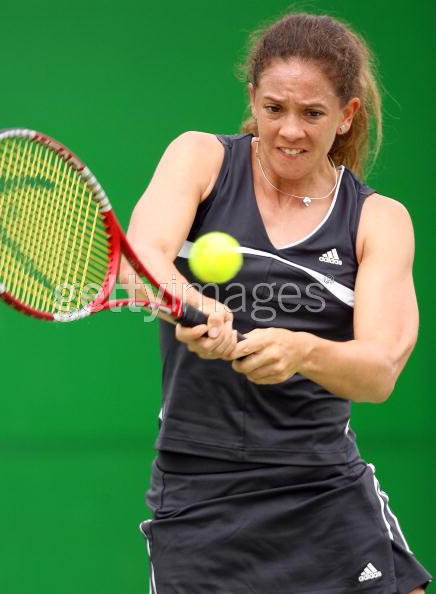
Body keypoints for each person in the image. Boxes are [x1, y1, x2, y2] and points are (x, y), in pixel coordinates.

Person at [122, 12, 432, 594]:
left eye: (312, 113)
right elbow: (142, 261)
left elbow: (380, 371)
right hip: (199, 495)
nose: (290, 130)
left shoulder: (378, 220)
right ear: (253, 99)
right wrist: (190, 304)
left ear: (347, 115)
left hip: (324, 488)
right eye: (274, 109)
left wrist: (302, 351)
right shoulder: (200, 158)